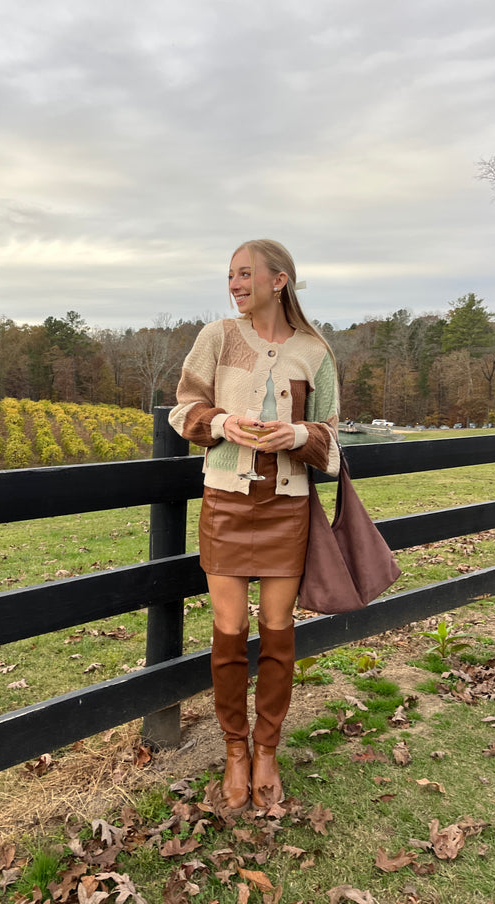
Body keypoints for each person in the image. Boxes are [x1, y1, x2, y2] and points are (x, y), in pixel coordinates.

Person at [169, 239, 340, 812]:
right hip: (225, 503)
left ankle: (267, 749)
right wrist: (221, 422)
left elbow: (333, 434)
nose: (236, 284)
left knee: (277, 631)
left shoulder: (314, 352)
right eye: (231, 275)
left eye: (246, 274)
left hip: (287, 506)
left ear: (279, 281)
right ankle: (234, 749)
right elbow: (183, 407)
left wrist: (296, 435)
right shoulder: (216, 338)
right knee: (226, 630)